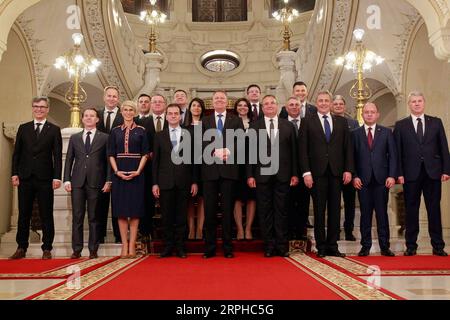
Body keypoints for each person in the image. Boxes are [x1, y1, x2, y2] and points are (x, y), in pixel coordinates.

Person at [394, 91, 450, 256]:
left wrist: (446, 170)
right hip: (410, 174)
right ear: (409, 105)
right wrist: (399, 173)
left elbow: (444, 148)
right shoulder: (401, 125)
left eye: (419, 101)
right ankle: (411, 245)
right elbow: (397, 152)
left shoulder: (436, 122)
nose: (417, 104)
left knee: (434, 209)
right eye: (413, 101)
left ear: (424, 103)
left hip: (433, 173)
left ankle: (438, 246)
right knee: (411, 210)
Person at [299, 91, 354, 258]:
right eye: (320, 101)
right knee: (319, 210)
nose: (323, 103)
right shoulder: (307, 121)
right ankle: (321, 246)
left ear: (331, 103)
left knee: (335, 210)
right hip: (316, 173)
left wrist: (348, 169)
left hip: (337, 173)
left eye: (326, 101)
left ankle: (332, 245)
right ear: (316, 103)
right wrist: (306, 172)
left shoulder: (342, 122)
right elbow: (303, 150)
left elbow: (348, 148)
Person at [10, 96, 62, 260]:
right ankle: (21, 247)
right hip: (25, 177)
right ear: (33, 108)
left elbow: (58, 156)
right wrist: (14, 173)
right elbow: (16, 154)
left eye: (42, 107)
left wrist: (57, 177)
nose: (39, 109)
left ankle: (47, 248)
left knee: (46, 213)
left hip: (45, 178)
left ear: (47, 109)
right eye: (36, 106)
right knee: (24, 214)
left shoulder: (54, 129)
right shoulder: (23, 128)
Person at [247, 95, 299, 257]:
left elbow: (294, 152)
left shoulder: (288, 126)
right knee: (265, 211)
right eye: (266, 104)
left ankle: (282, 246)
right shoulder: (254, 127)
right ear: (262, 108)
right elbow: (250, 154)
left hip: (283, 175)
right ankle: (269, 246)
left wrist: (295, 173)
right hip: (261, 176)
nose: (269, 106)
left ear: (278, 106)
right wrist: (250, 175)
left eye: (272, 103)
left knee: (282, 210)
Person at [202, 91, 244, 258]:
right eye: (216, 98)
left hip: (229, 170)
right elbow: (200, 141)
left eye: (222, 98)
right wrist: (213, 151)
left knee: (227, 212)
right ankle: (209, 249)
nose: (219, 100)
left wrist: (228, 150)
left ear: (227, 103)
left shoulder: (236, 120)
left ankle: (228, 248)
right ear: (212, 102)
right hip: (210, 171)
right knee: (210, 211)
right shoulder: (205, 121)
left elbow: (241, 140)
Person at [64, 108, 111, 259]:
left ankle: (93, 249)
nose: (89, 118)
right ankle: (76, 249)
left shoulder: (105, 137)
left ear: (97, 119)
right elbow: (69, 159)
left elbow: (108, 162)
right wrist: (66, 179)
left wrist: (108, 180)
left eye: (92, 116)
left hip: (96, 182)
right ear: (82, 119)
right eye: (86, 116)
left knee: (94, 217)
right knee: (77, 217)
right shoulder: (75, 138)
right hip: (77, 182)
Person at [152, 104, 198, 258]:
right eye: (170, 113)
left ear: (180, 116)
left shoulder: (189, 134)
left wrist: (194, 181)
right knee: (166, 217)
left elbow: (194, 160)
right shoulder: (159, 135)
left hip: (184, 181)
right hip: (164, 182)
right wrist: (155, 183)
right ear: (166, 116)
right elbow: (155, 162)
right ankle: (167, 247)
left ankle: (180, 247)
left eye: (176, 113)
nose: (173, 116)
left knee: (181, 217)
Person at [352, 103, 397, 257]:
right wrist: (355, 176)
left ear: (377, 114)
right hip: (362, 181)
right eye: (366, 112)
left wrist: (392, 175)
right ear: (362, 115)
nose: (369, 114)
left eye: (372, 112)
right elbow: (352, 158)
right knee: (365, 214)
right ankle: (365, 246)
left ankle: (385, 246)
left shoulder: (386, 132)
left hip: (381, 180)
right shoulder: (355, 134)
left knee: (382, 214)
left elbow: (393, 156)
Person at [108, 100, 149, 258]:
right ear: (121, 112)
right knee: (121, 211)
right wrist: (116, 171)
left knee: (135, 211)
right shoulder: (115, 131)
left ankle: (132, 245)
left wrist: (138, 171)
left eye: (131, 109)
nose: (128, 112)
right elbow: (110, 153)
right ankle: (124, 245)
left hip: (136, 172)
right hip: (119, 172)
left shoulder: (141, 130)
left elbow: (145, 153)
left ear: (135, 111)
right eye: (125, 109)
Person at [96, 86, 123, 243]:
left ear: (117, 99)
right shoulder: (97, 114)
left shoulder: (123, 115)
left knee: (117, 202)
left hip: (118, 163)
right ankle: (100, 236)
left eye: (114, 96)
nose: (112, 98)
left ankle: (118, 236)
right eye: (109, 96)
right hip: (99, 163)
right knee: (100, 201)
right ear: (104, 97)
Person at [281, 96, 310, 240]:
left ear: (300, 107)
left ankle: (301, 232)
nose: (294, 107)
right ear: (286, 108)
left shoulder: (307, 123)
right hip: (286, 171)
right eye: (291, 105)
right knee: (288, 203)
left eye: (296, 105)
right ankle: (289, 232)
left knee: (304, 203)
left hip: (305, 171)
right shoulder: (281, 124)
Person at [331, 95, 359, 241]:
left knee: (349, 202)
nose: (338, 106)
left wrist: (352, 170)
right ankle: (335, 230)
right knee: (334, 203)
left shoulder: (353, 123)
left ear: (345, 106)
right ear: (331, 106)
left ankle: (349, 230)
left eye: (341, 104)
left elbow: (356, 147)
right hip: (333, 169)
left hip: (349, 168)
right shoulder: (328, 122)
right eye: (335, 104)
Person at [233, 98, 256, 240]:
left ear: (249, 108)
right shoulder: (231, 123)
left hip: (253, 163)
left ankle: (248, 229)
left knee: (252, 198)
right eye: (239, 105)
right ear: (236, 108)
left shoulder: (255, 124)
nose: (242, 107)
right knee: (236, 197)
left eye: (245, 105)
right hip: (236, 164)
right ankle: (240, 230)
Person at [186, 98, 205, 240]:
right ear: (190, 108)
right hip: (188, 165)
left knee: (202, 199)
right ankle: (191, 230)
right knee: (190, 200)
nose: (196, 108)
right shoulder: (184, 127)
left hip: (205, 165)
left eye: (199, 106)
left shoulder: (208, 126)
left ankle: (200, 230)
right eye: (194, 105)